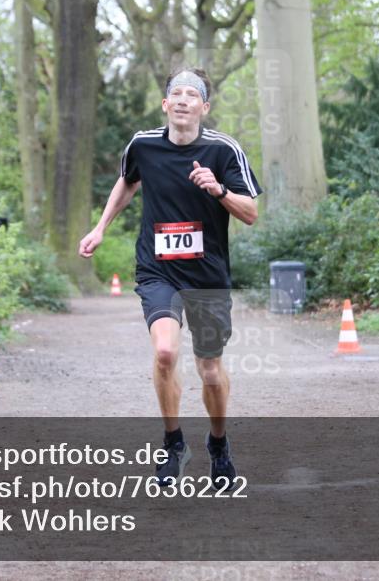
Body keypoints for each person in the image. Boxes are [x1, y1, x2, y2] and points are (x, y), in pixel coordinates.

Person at [78, 67, 262, 489]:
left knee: (210, 369)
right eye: (175, 94)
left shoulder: (224, 151)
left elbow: (250, 213)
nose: (182, 100)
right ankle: (174, 442)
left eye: (191, 94)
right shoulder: (143, 145)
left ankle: (218, 444)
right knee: (164, 352)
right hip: (157, 269)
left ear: (204, 107)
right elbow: (127, 183)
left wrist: (217, 190)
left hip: (207, 275)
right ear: (165, 105)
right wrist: (100, 227)